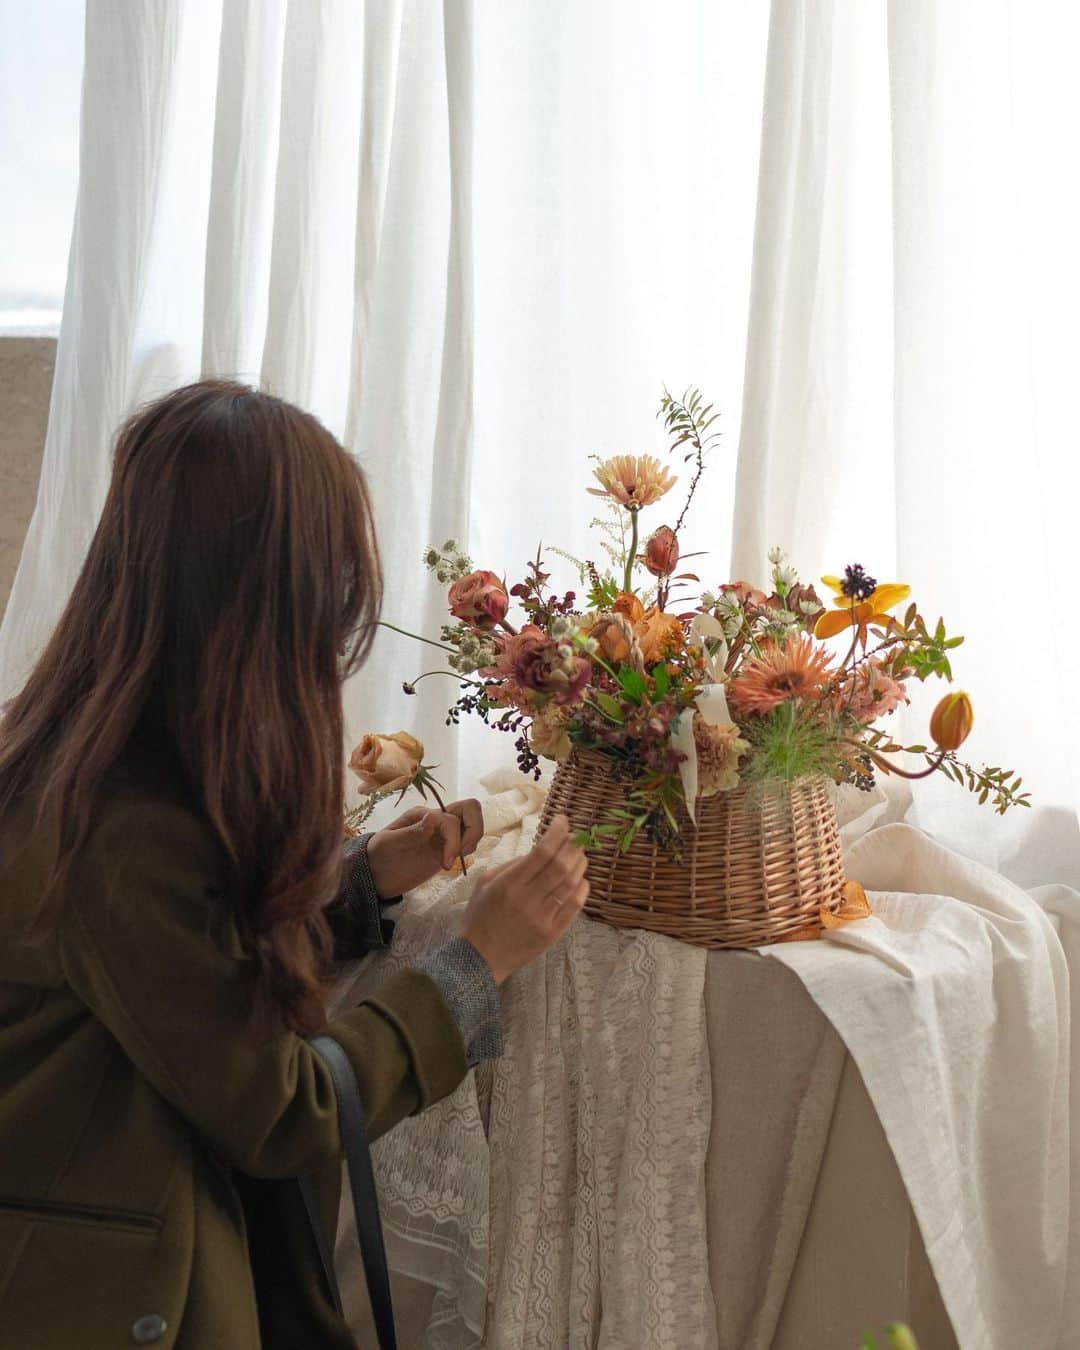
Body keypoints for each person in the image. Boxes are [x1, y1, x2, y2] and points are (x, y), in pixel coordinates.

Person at [0, 381, 588, 1349]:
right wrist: (474, 966)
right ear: (254, 620)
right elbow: (280, 1109)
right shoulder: (115, 834)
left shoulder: (102, 770)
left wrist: (355, 885)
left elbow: (181, 978)